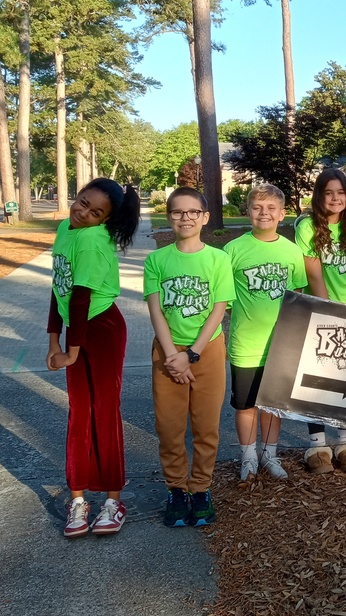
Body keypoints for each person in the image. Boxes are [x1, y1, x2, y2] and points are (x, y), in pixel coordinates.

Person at [47, 178, 140, 538]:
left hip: (100, 330)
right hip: (76, 328)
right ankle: (78, 499)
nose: (83, 212)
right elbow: (60, 287)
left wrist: (71, 351)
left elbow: (83, 295)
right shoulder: (65, 228)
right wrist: (53, 340)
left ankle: (114, 500)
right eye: (82, 202)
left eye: (95, 212)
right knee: (78, 411)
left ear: (105, 220)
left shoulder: (89, 239)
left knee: (104, 410)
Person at [143, 187, 235, 527]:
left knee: (205, 426)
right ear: (169, 217)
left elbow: (218, 308)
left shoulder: (218, 259)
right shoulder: (157, 259)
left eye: (193, 212)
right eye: (178, 212)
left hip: (206, 349)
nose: (186, 217)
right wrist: (172, 356)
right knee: (169, 427)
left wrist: (192, 354)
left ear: (205, 217)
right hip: (167, 352)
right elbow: (156, 310)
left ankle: (200, 489)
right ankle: (176, 489)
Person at [294, 167, 346, 473]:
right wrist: (330, 314)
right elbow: (313, 273)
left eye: (341, 192)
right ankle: (317, 445)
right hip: (319, 309)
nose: (335, 198)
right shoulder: (307, 227)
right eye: (329, 192)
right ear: (319, 196)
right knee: (316, 379)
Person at [225, 184, 307, 482]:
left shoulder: (291, 250)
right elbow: (225, 295)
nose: (264, 213)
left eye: (271, 208)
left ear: (282, 213)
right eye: (258, 208)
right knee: (246, 405)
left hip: (280, 344)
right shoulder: (233, 250)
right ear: (247, 211)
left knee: (272, 404)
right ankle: (248, 456)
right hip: (245, 343)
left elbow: (297, 293)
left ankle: (270, 454)